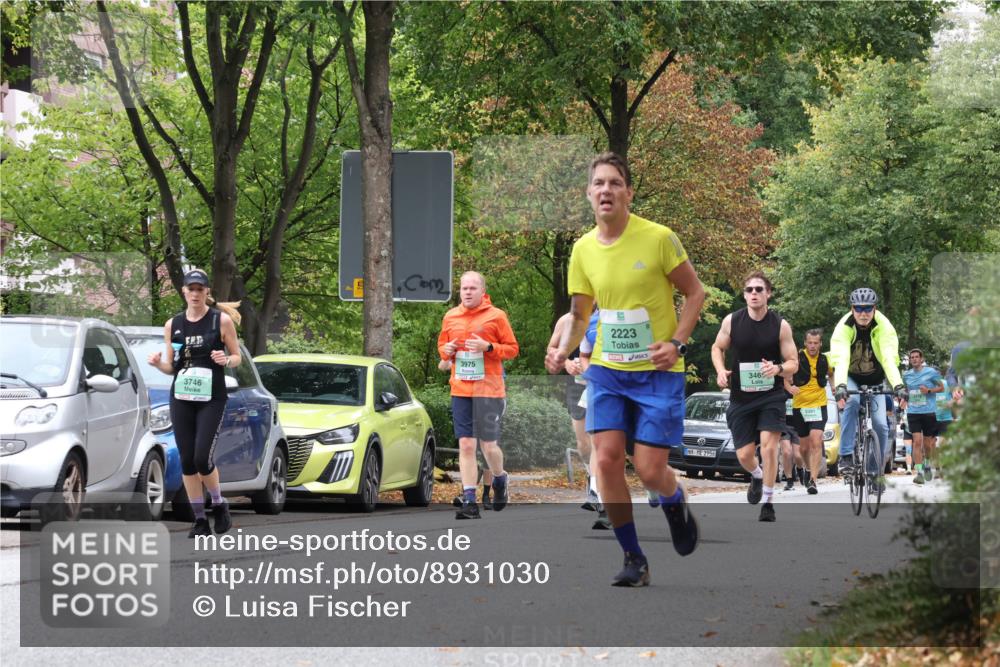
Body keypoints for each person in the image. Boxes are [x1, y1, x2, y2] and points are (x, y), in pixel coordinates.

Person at [545, 152, 705, 587]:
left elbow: (695, 293)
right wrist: (562, 349)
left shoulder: (658, 238)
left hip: (657, 370)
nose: (606, 190)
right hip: (608, 372)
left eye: (615, 183)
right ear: (588, 194)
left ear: (628, 193)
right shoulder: (582, 250)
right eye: (598, 183)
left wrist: (676, 343)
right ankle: (633, 557)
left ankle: (674, 501)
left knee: (651, 470)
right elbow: (580, 316)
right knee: (607, 460)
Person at [147, 269, 242, 537]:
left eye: (201, 289)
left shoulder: (220, 322)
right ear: (184, 292)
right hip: (182, 397)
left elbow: (237, 357)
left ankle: (219, 503)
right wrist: (158, 364)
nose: (196, 293)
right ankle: (199, 519)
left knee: (202, 457)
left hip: (211, 398)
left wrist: (226, 361)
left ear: (207, 292)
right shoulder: (173, 325)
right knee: (187, 460)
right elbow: (171, 367)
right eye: (192, 289)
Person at [711, 271, 798, 522]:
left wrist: (778, 369)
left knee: (770, 448)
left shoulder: (780, 325)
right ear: (744, 295)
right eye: (749, 290)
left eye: (759, 289)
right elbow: (717, 347)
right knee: (744, 456)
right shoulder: (732, 321)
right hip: (741, 397)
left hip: (770, 396)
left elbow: (793, 362)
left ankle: (768, 503)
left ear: (768, 293)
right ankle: (757, 475)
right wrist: (720, 370)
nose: (754, 294)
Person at [438, 271, 519, 519]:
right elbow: (442, 350)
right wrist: (448, 350)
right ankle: (470, 500)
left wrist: (489, 347)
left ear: (482, 291)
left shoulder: (496, 316)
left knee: (488, 446)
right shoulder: (450, 316)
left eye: (473, 288)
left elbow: (513, 349)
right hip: (461, 389)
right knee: (466, 443)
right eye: (464, 288)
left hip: (489, 390)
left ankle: (500, 477)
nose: (468, 292)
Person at [830, 288, 907, 480]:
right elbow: (840, 358)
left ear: (875, 308)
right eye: (858, 309)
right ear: (852, 309)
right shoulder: (844, 327)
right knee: (852, 402)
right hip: (851, 376)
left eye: (867, 309)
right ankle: (846, 455)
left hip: (876, 378)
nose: (863, 313)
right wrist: (840, 386)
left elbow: (889, 358)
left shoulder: (884, 327)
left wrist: (898, 385)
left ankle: (875, 470)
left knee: (881, 425)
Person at [548, 310, 597, 511]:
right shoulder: (566, 320)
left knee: (598, 439)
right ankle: (591, 474)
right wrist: (567, 363)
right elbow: (551, 348)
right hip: (577, 384)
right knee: (583, 444)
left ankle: (596, 488)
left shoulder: (609, 314)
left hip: (602, 382)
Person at [441, 358, 494, 511]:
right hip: (464, 399)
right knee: (467, 447)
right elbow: (443, 365)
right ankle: (468, 494)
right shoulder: (459, 349)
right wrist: (447, 356)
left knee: (486, 451)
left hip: (486, 400)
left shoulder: (487, 351)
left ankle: (486, 493)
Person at [789, 329, 830, 494]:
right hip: (800, 406)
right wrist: (789, 387)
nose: (813, 346)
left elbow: (832, 373)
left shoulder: (824, 359)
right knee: (804, 448)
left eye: (816, 343)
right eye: (810, 343)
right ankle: (806, 468)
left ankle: (813, 480)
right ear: (805, 343)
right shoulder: (797, 358)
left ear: (820, 344)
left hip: (819, 404)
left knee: (816, 440)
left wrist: (834, 386)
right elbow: (785, 376)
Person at [902, 348, 943, 484]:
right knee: (917, 441)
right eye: (911, 357)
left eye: (916, 357)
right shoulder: (907, 375)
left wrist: (929, 390)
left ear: (921, 359)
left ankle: (926, 465)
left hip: (929, 412)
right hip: (913, 412)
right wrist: (904, 397)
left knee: (927, 444)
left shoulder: (931, 372)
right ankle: (919, 472)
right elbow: (906, 390)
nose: (914, 359)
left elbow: (942, 387)